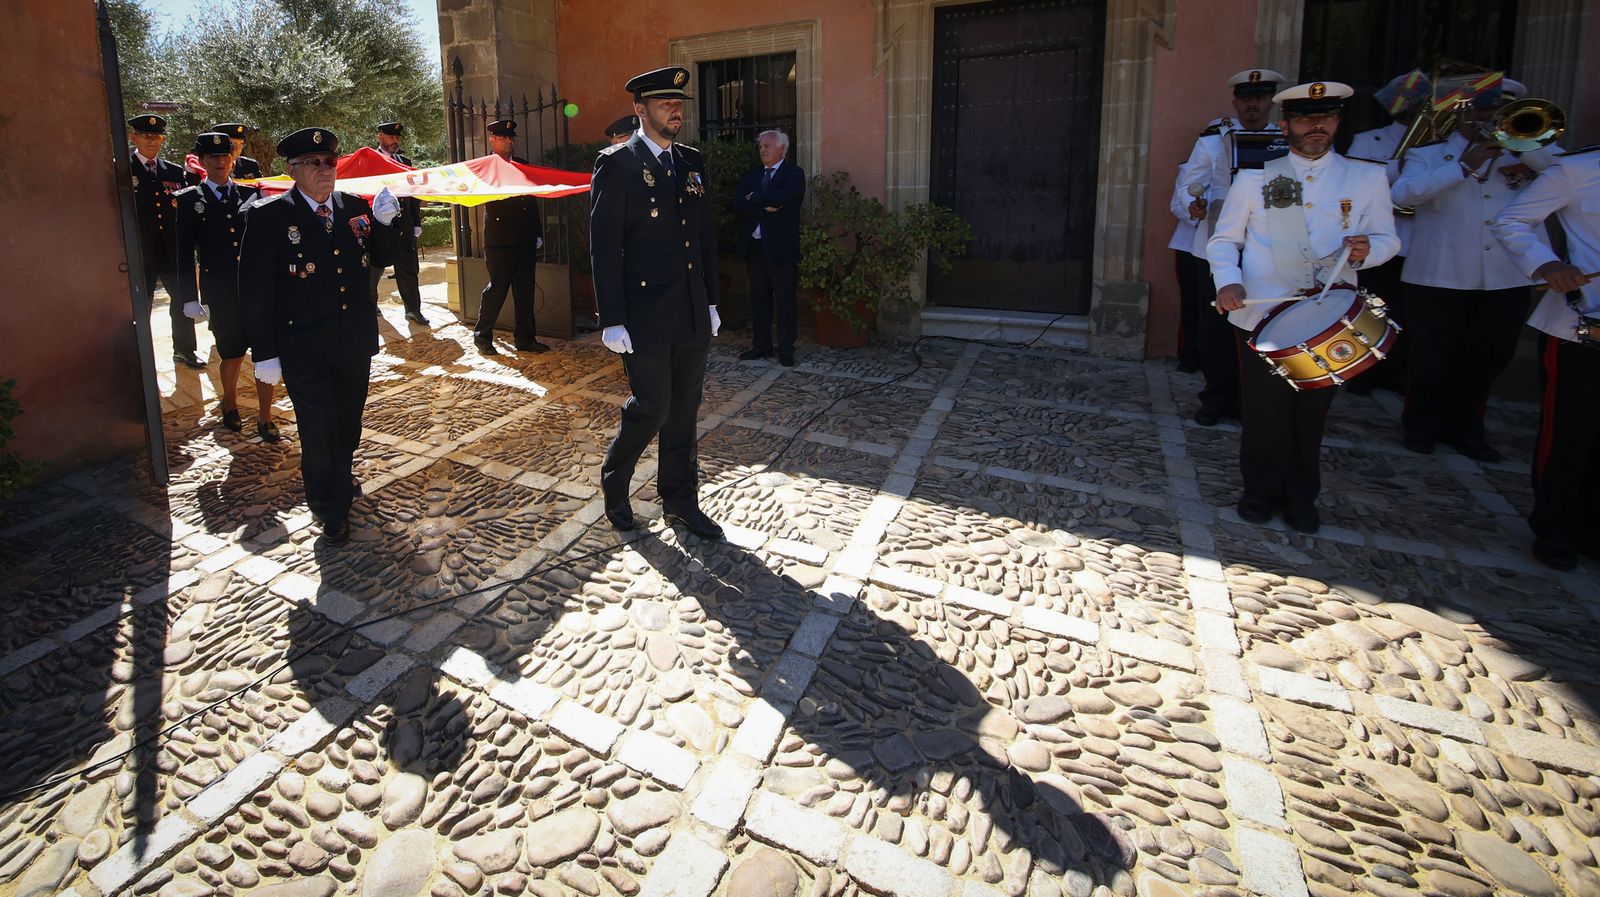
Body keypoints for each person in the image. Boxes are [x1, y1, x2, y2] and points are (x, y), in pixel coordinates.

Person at [1209, 81, 1399, 533]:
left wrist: (1365, 251)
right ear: (1285, 125)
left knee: (1312, 413)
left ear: (1336, 122)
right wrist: (1228, 282)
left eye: (1327, 118)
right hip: (1261, 312)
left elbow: (1390, 240)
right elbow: (1224, 240)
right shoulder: (1256, 179)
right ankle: (1258, 491)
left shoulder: (1366, 178)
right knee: (1262, 411)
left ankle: (1300, 497)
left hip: (1327, 314)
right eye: (1306, 119)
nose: (1317, 126)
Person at [240, 127, 401, 544]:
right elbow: (256, 291)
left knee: (348, 424)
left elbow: (378, 261)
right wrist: (265, 354)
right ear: (293, 170)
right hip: (302, 345)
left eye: (330, 162)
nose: (325, 170)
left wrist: (384, 225)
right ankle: (328, 507)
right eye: (314, 163)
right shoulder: (268, 217)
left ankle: (340, 479)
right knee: (317, 429)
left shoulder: (353, 207)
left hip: (352, 341)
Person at [592, 65, 723, 540]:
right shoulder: (617, 164)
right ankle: (615, 484)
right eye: (665, 103)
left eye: (679, 104)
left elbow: (704, 237)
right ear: (639, 109)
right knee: (653, 406)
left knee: (685, 411)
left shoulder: (691, 161)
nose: (675, 110)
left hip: (690, 310)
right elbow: (604, 246)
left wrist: (710, 301)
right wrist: (611, 317)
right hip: (644, 315)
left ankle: (680, 501)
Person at [1391, 78, 1552, 462]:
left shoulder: (1528, 155)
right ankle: (1422, 425)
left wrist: (1522, 147)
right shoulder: (1429, 155)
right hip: (1440, 275)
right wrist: (1464, 165)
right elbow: (1402, 194)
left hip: (1504, 276)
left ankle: (1467, 428)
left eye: (1496, 111)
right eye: (1480, 110)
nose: (1487, 118)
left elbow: (1563, 173)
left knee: (1487, 357)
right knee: (1432, 357)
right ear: (1461, 113)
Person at [1492, 143, 1600, 570]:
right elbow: (1511, 219)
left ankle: (1593, 528)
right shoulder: (1577, 170)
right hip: (1582, 323)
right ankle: (1555, 527)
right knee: (1572, 432)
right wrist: (1546, 264)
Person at [1174, 68, 1286, 425]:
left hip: (1268, 246)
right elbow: (1186, 187)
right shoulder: (1212, 141)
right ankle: (1217, 397)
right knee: (1216, 330)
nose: (1252, 105)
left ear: (1270, 102)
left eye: (1260, 98)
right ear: (1236, 102)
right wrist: (1191, 207)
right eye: (1246, 98)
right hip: (1215, 245)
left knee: (1262, 326)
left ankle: (1251, 400)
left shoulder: (1285, 142)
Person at [173, 132, 277, 440]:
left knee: (265, 355)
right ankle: (229, 404)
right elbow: (183, 253)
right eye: (213, 158)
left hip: (257, 291)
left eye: (225, 156)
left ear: (232, 159)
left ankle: (265, 416)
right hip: (222, 294)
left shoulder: (250, 194)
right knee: (231, 354)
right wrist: (189, 298)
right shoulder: (191, 200)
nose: (220, 162)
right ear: (203, 161)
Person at [1342, 70, 1432, 395]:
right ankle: (1362, 372)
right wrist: (1402, 163)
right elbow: (1353, 182)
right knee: (1372, 308)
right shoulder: (1370, 139)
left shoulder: (1439, 142)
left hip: (1418, 241)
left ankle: (1398, 373)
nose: (1416, 107)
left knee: (1411, 315)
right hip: (1376, 241)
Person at [129, 114, 205, 369]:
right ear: (134, 137)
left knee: (183, 302)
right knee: (140, 309)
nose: (153, 141)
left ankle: (184, 351)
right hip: (140, 253)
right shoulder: (122, 169)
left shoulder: (173, 172)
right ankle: (140, 358)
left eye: (157, 136)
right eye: (147, 136)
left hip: (172, 250)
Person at [733, 129, 805, 366]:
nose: (763, 149)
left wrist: (754, 197)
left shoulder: (794, 174)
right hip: (756, 248)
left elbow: (786, 198)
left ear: (782, 149)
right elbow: (737, 203)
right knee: (759, 301)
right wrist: (763, 207)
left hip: (782, 249)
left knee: (785, 302)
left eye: (768, 146)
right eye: (761, 146)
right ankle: (761, 346)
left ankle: (785, 349)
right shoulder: (753, 174)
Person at [475, 119, 547, 355]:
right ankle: (482, 336)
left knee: (525, 291)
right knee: (497, 289)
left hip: (525, 238)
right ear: (492, 140)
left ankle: (525, 338)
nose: (508, 141)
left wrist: (536, 232)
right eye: (503, 137)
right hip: (501, 239)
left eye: (510, 138)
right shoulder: (485, 166)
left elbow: (531, 199)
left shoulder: (523, 164)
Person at [371, 121, 428, 325]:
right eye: (390, 137)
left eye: (397, 138)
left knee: (408, 270)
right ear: (380, 136)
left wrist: (415, 221)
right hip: (379, 226)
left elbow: (412, 194)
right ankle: (370, 305)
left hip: (403, 225)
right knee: (375, 270)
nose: (394, 141)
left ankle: (413, 310)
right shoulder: (371, 160)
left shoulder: (404, 161)